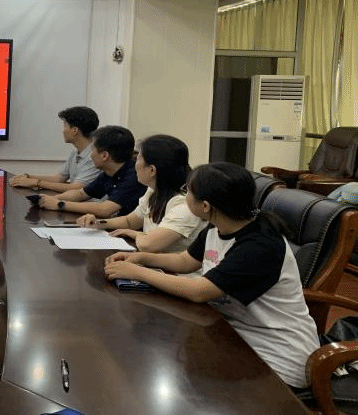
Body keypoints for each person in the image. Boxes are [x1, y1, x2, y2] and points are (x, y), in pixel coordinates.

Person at [103, 162, 319, 389]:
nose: (185, 195)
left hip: (277, 357)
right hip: (232, 335)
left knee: (179, 381)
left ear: (205, 206)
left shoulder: (260, 244)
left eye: (188, 191)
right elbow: (186, 260)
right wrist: (141, 258)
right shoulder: (219, 226)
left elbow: (200, 291)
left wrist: (138, 272)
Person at [76, 134, 206, 252]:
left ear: (152, 170)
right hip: (153, 263)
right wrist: (98, 223)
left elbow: (148, 244)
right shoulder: (154, 190)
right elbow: (130, 221)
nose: (135, 165)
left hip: (172, 270)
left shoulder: (184, 205)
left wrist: (136, 234)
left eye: (138, 159)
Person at [39, 126, 145, 217]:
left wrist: (60, 204)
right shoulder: (109, 172)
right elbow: (81, 194)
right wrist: (52, 199)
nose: (90, 155)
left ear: (104, 155)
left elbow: (105, 209)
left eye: (92, 149)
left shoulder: (134, 176)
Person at [9, 106, 101, 193]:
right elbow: (58, 178)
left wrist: (36, 183)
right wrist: (28, 177)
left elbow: (76, 188)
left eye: (65, 126)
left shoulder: (94, 156)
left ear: (75, 130)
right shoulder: (76, 152)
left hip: (87, 204)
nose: (63, 131)